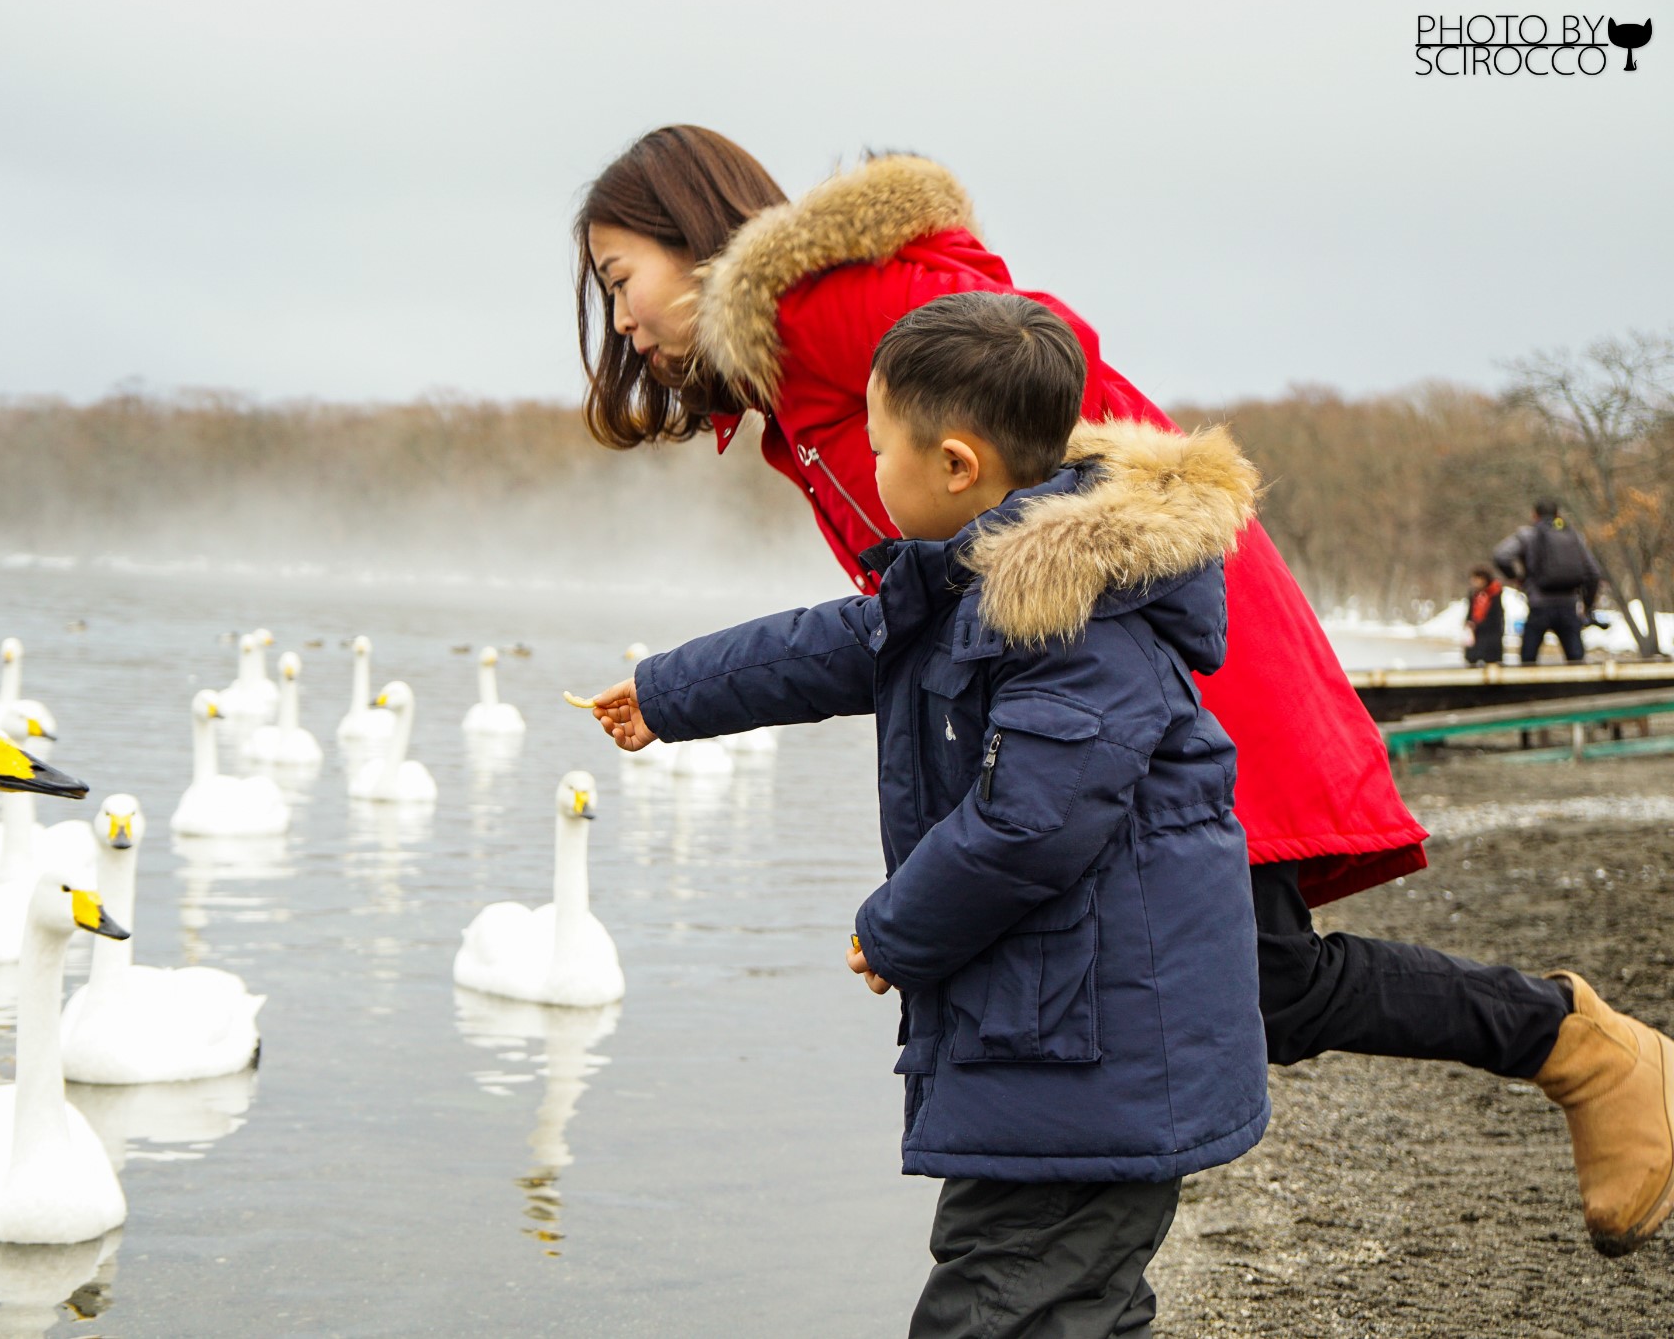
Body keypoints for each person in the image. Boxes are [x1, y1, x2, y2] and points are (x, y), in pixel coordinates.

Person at [574, 125, 1674, 1257]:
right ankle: (1575, 1047)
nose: (619, 323)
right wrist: (677, 692)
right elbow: (909, 620)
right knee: (1263, 979)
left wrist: (1090, 569)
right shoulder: (798, 379)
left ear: (699, 241)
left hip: (1133, 633)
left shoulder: (839, 311)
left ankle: (1583, 1047)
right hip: (1109, 632)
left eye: (622, 281)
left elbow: (1036, 348)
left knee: (1259, 974)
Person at [590, 294, 1269, 1337]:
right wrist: (670, 691)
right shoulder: (977, 582)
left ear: (955, 466)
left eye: (874, 448)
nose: (866, 469)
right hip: (1070, 1044)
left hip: (1089, 1061)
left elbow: (1027, 827)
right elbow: (842, 645)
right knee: (1069, 1305)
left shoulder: (1076, 622)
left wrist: (893, 929)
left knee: (992, 1305)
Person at [1494, 499, 1606, 665]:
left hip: (1539, 605)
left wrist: (1518, 578)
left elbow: (1501, 555)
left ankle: (1528, 690)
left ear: (1535, 515)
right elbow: (1594, 573)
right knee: (1576, 660)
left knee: (1528, 660)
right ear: (1558, 515)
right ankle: (1582, 690)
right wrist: (1587, 605)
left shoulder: (1528, 535)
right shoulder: (1574, 536)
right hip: (1568, 605)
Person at [1464, 566, 1506, 665]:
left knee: (1491, 662)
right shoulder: (1474, 595)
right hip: (1476, 634)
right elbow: (1470, 613)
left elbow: (1496, 616)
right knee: (1472, 659)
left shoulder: (1494, 595)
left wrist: (1479, 624)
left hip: (1490, 636)